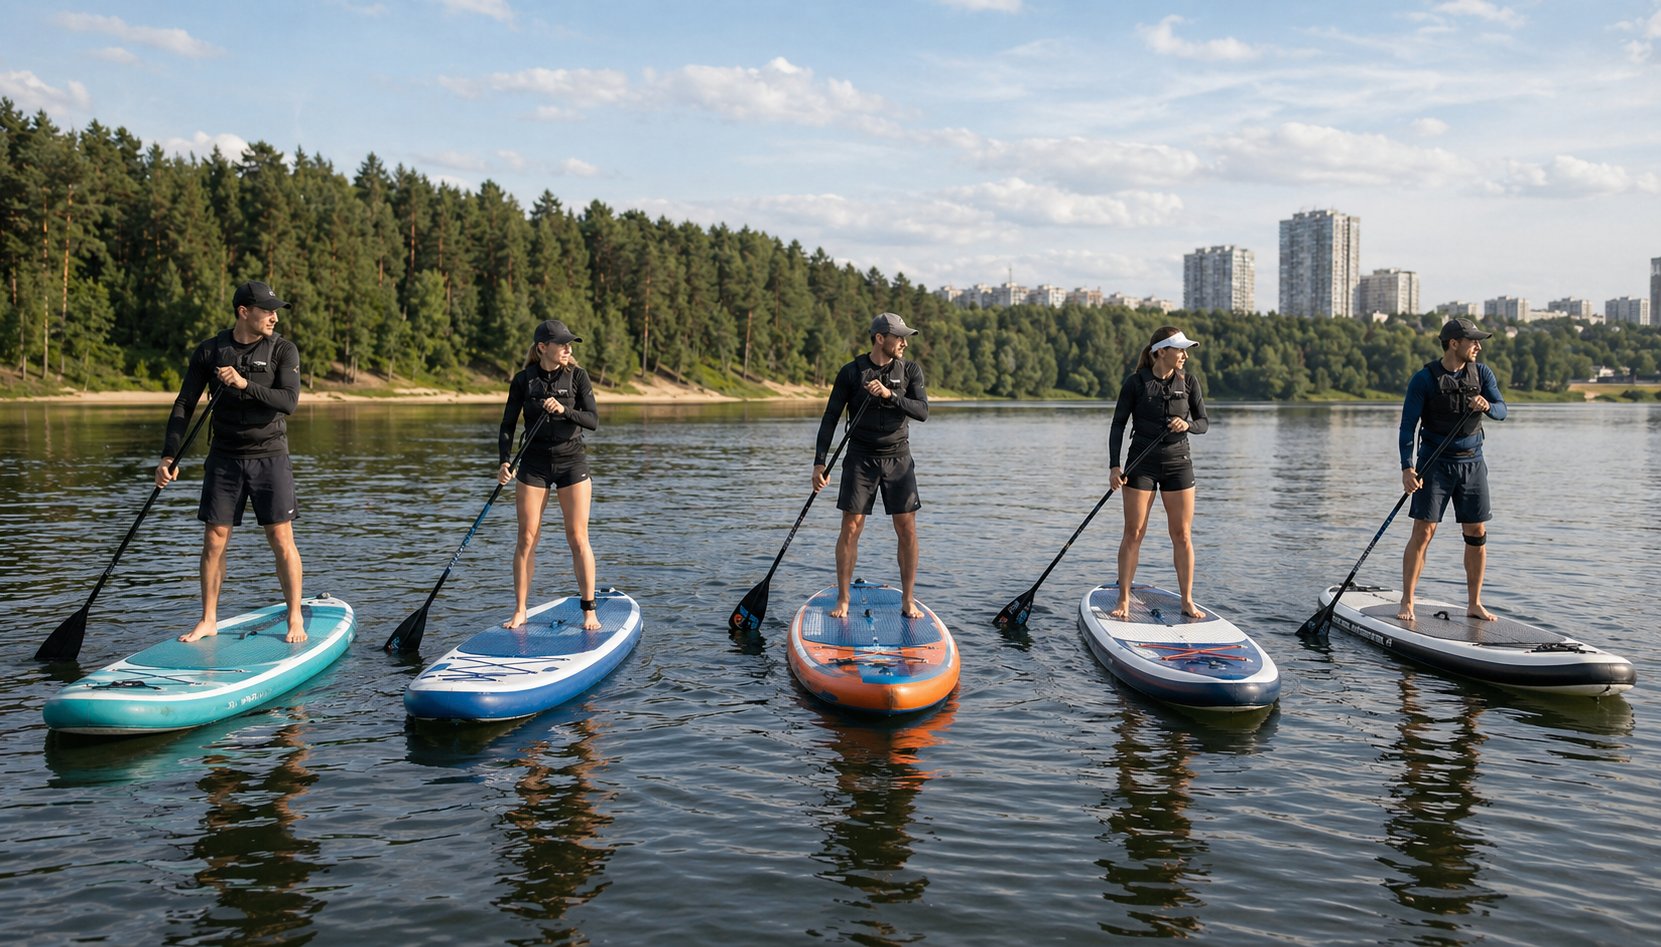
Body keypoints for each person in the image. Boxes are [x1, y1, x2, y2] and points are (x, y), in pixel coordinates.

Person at [157, 280, 305, 643]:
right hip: (224, 458)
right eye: (267, 310)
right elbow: (184, 404)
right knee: (214, 538)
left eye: (275, 310)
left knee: (281, 536)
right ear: (244, 312)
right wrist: (169, 454)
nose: (273, 316)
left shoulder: (283, 350)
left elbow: (288, 401)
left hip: (270, 456)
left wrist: (243, 384)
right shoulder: (210, 351)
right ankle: (208, 619)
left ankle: (295, 617)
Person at [812, 312, 929, 619]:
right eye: (898, 337)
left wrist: (890, 395)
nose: (903, 342)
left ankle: (908, 599)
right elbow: (830, 418)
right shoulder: (851, 372)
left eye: (905, 337)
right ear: (880, 338)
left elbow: (922, 411)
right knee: (851, 527)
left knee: (907, 529)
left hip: (898, 458)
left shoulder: (910, 371)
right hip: (860, 458)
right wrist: (819, 463)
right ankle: (843, 599)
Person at [1398, 317, 1507, 622]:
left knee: (1476, 532)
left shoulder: (1483, 373)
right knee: (1424, 531)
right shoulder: (1424, 379)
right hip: (1434, 464)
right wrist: (1408, 468)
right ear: (1453, 343)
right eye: (1473, 340)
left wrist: (1487, 406)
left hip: (1472, 463)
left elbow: (1502, 411)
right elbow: (1408, 427)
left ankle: (1474, 603)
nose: (1478, 346)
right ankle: (1407, 602)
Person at [498, 319, 602, 631]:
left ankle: (589, 611)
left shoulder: (578, 377)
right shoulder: (523, 380)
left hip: (572, 463)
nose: (568, 348)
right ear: (543, 347)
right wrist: (505, 462)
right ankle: (520, 610)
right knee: (527, 538)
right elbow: (506, 425)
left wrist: (564, 410)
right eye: (562, 343)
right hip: (534, 465)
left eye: (570, 343)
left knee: (577, 537)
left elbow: (593, 420)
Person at [1107, 326, 1210, 620]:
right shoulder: (1135, 383)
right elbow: (1118, 425)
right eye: (1180, 350)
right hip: (1141, 466)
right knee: (1134, 532)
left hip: (1179, 464)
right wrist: (1115, 466)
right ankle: (1123, 599)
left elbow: (1203, 422)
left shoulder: (1189, 382)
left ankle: (1187, 601)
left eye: (1186, 350)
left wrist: (1186, 425)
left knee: (1182, 534)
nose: (1185, 355)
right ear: (1161, 352)